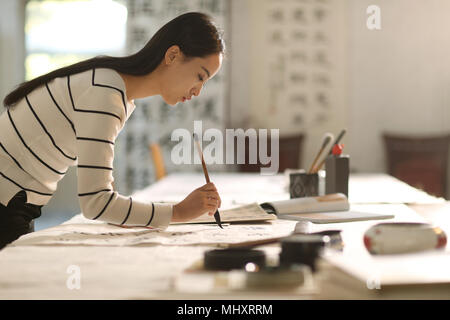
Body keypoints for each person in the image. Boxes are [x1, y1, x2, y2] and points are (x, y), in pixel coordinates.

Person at [0, 12, 224, 249]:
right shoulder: (106, 93)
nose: (198, 91)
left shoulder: (115, 90)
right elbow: (96, 203)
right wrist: (178, 212)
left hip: (15, 201)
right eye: (200, 76)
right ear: (173, 55)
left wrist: (128, 213)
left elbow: (101, 192)